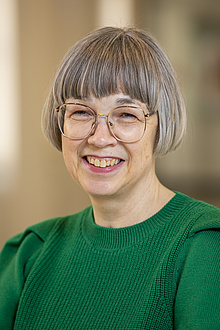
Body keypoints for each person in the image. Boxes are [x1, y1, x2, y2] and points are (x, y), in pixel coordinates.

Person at [0, 26, 220, 329]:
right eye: (81, 112)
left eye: (126, 115)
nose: (100, 138)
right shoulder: (29, 253)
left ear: (162, 125)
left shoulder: (204, 247)